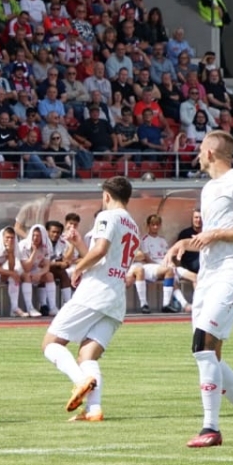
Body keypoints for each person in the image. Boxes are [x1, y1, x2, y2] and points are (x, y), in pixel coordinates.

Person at [168, 130, 233, 448]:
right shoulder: (209, 188)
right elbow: (211, 236)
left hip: (232, 273)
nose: (198, 155)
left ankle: (210, 428)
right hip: (209, 276)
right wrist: (186, 243)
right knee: (208, 353)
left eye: (201, 149)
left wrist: (216, 235)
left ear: (211, 153)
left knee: (203, 343)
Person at [40, 177, 142, 423]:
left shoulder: (107, 216)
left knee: (50, 344)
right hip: (116, 298)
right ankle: (94, 409)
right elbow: (104, 259)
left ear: (106, 196)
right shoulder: (133, 226)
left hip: (95, 291)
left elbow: (100, 250)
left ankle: (80, 381)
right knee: (87, 355)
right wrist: (79, 244)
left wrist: (77, 267)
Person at [127, 211, 187, 313]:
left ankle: (168, 304)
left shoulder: (162, 240)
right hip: (152, 267)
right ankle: (180, 303)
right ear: (148, 225)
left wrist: (171, 262)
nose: (155, 227)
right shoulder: (144, 240)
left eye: (157, 224)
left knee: (176, 272)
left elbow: (167, 256)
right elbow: (146, 258)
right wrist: (163, 266)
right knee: (169, 271)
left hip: (164, 267)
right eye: (153, 224)